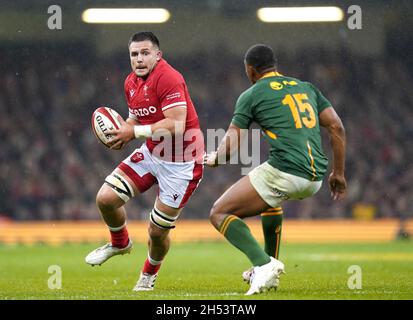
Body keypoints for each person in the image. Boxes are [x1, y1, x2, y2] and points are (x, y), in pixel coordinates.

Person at [205, 44, 346, 295]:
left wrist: (215, 159)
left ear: (250, 70)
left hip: (286, 170)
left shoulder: (252, 94)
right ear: (275, 66)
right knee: (270, 201)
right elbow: (336, 127)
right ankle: (269, 268)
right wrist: (338, 173)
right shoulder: (307, 88)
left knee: (219, 212)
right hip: (316, 178)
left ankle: (263, 264)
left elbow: (230, 146)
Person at [85, 32, 204, 291]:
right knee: (105, 199)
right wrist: (123, 132)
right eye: (134, 54)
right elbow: (135, 119)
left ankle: (149, 273)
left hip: (182, 164)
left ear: (158, 55)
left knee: (156, 232)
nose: (139, 59)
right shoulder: (130, 82)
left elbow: (176, 124)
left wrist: (134, 133)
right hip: (152, 153)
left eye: (145, 53)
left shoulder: (169, 77)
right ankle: (120, 243)